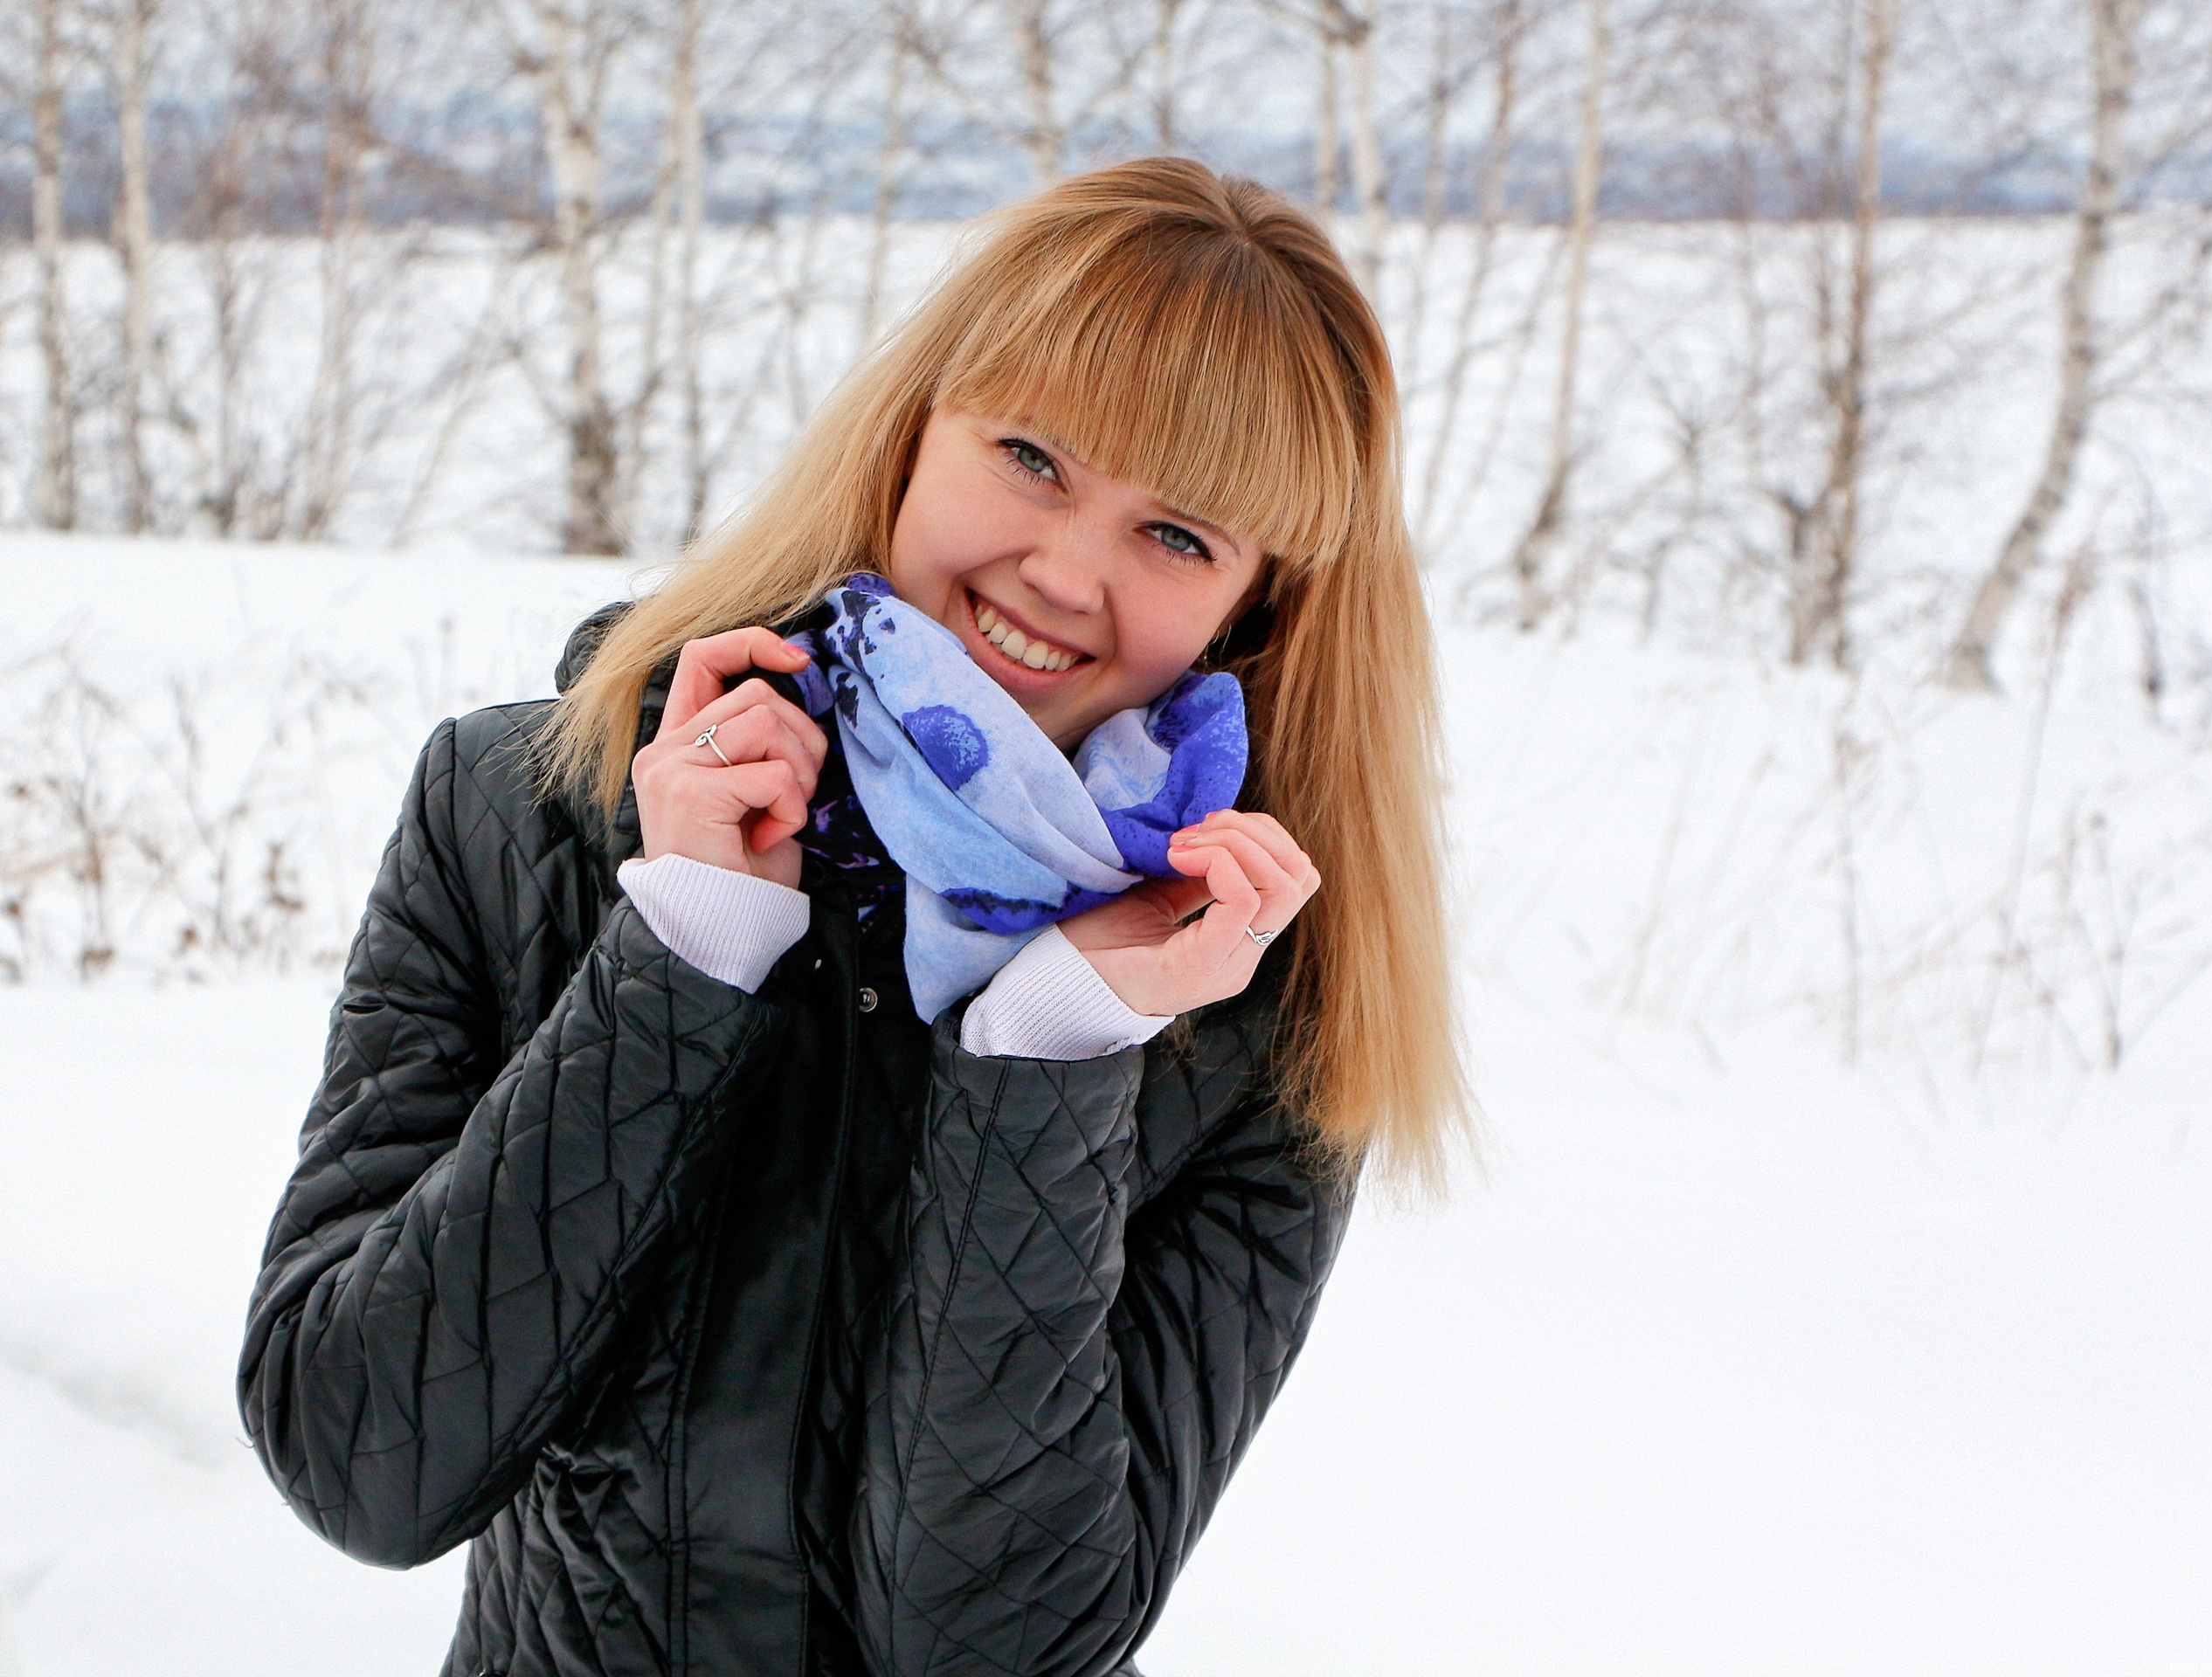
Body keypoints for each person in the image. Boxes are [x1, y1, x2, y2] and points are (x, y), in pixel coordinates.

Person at [238, 156, 1464, 1677]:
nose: (1065, 572)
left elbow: (1000, 1650)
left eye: (1178, 536)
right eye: (1031, 455)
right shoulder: (525, 808)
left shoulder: (1247, 1008)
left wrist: (1055, 1047)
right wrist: (680, 947)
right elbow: (358, 1459)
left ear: (1253, 608)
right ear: (908, 435)